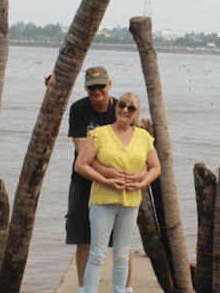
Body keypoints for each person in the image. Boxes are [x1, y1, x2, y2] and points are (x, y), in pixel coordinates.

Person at [75, 92, 161, 293]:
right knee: (97, 253)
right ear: (116, 107)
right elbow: (81, 165)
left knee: (122, 253)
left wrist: (142, 183)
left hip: (131, 202)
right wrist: (105, 180)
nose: (125, 110)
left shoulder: (144, 137)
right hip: (103, 201)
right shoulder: (100, 134)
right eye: (122, 105)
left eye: (131, 108)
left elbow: (156, 168)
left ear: (136, 114)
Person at [66, 66, 137, 293]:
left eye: (101, 86)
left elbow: (134, 144)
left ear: (109, 85)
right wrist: (105, 173)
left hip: (118, 187)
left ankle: (127, 288)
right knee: (83, 238)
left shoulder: (120, 109)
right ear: (86, 88)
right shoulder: (78, 109)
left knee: (121, 244)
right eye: (92, 87)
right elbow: (81, 151)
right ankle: (83, 288)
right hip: (84, 182)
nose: (97, 92)